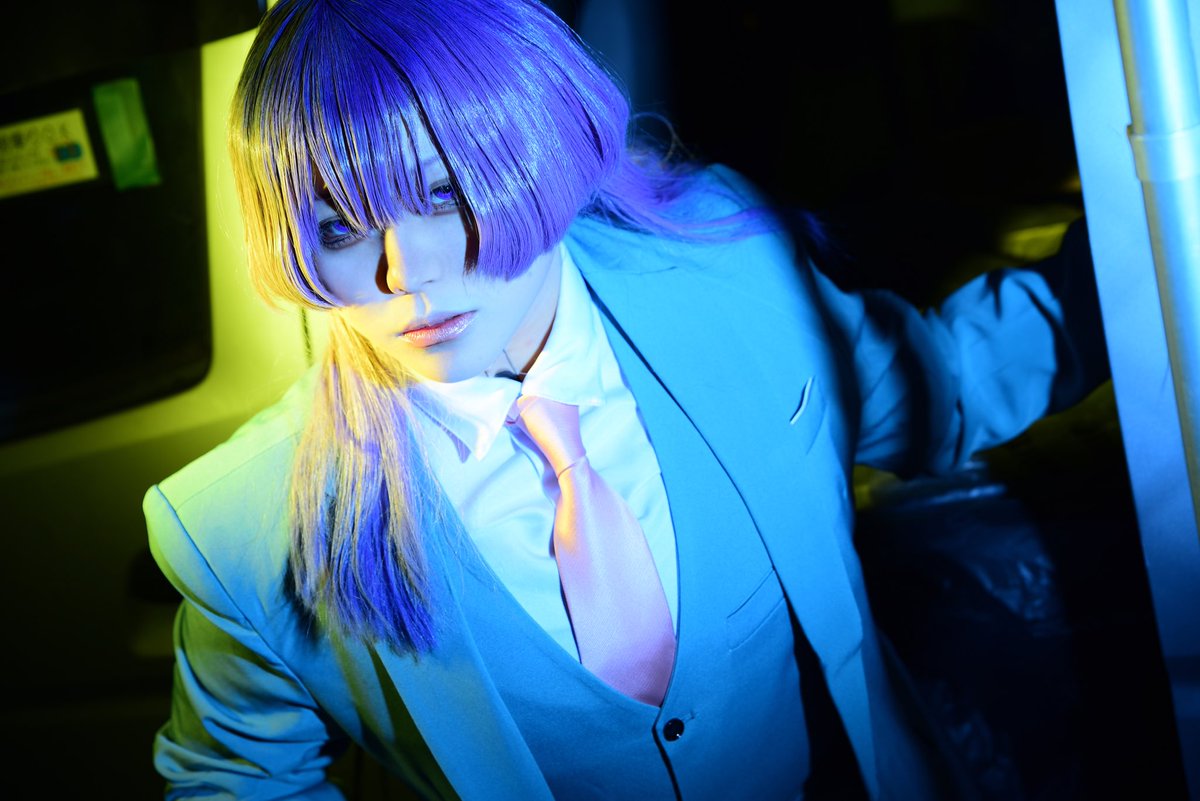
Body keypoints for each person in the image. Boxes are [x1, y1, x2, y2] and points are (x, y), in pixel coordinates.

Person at [144, 0, 1109, 798]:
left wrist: (1139, 276)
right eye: (340, 226)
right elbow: (232, 780)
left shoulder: (726, 270)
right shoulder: (244, 528)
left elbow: (939, 388)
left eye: (445, 191)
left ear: (539, 143)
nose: (406, 271)